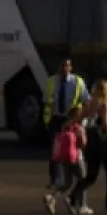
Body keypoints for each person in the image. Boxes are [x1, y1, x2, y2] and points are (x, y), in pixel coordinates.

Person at [70, 80, 107, 215]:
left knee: (91, 176)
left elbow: (77, 118)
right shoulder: (105, 104)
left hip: (91, 141)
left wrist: (65, 126)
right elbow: (106, 124)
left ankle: (72, 196)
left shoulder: (90, 104)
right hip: (103, 141)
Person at [43, 59, 88, 190]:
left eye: (67, 65)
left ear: (71, 67)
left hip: (71, 119)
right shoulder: (52, 81)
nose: (64, 68)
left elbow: (86, 100)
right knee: (54, 150)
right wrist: (47, 121)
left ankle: (70, 176)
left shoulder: (78, 82)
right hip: (56, 119)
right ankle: (54, 179)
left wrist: (81, 118)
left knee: (70, 149)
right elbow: (47, 102)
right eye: (62, 65)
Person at [46, 106, 88, 215]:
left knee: (67, 183)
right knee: (83, 180)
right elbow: (83, 143)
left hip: (65, 158)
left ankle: (52, 197)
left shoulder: (65, 126)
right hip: (77, 158)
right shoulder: (79, 128)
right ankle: (82, 205)